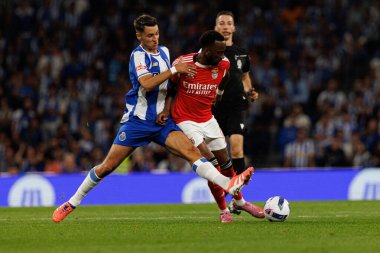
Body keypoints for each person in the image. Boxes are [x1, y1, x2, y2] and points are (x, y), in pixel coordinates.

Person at [52, 15, 254, 223]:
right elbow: (147, 84)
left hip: (162, 122)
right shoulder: (138, 56)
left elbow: (170, 87)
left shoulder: (164, 52)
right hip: (137, 121)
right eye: (149, 35)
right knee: (107, 167)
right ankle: (72, 202)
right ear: (139, 36)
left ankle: (228, 184)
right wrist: (175, 69)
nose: (155, 38)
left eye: (156, 33)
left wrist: (166, 109)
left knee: (192, 152)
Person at [157, 30, 263, 223]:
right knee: (212, 165)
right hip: (185, 120)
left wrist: (220, 93)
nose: (222, 56)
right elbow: (170, 88)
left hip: (207, 118)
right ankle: (224, 211)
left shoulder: (223, 64)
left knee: (226, 162)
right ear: (206, 51)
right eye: (218, 52)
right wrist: (165, 109)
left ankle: (239, 202)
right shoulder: (184, 63)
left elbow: (225, 78)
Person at [213, 11, 259, 214]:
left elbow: (245, 77)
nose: (225, 26)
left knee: (237, 149)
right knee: (219, 156)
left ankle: (237, 197)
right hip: (214, 108)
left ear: (234, 28)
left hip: (236, 106)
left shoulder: (242, 53)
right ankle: (228, 195)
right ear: (216, 28)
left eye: (228, 23)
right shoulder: (209, 52)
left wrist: (250, 91)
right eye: (221, 23)